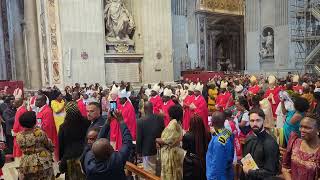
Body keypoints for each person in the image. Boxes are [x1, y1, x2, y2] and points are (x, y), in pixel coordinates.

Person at [83, 110, 133, 180]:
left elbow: (97, 144)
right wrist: (121, 121)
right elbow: (127, 141)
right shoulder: (117, 160)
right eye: (110, 147)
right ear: (110, 152)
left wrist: (108, 122)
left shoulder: (88, 160)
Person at [241, 108, 280, 180]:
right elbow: (245, 163)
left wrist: (249, 172)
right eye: (252, 121)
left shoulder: (270, 144)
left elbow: (270, 172)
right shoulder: (249, 139)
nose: (255, 124)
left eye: (258, 120)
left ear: (263, 121)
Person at [16, 111, 54, 180]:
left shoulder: (19, 135)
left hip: (26, 163)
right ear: (34, 122)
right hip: (42, 161)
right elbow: (49, 144)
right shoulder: (39, 133)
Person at [282, 113, 320, 180]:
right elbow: (285, 167)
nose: (302, 130)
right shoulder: (294, 142)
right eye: (301, 126)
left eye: (307, 128)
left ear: (318, 130)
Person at [58, 102, 90, 180]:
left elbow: (61, 145)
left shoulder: (63, 127)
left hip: (69, 156)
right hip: (85, 153)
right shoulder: (87, 122)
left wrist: (61, 158)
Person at [156, 105, 185, 180]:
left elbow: (167, 140)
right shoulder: (178, 122)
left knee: (170, 175)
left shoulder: (173, 124)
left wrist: (156, 140)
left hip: (170, 153)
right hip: (176, 151)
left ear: (171, 115)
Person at [136, 102, 165, 174]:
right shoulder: (160, 118)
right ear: (152, 109)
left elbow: (139, 138)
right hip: (160, 147)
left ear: (144, 109)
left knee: (149, 172)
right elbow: (163, 132)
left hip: (147, 150)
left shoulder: (140, 121)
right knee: (159, 171)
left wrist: (138, 151)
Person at [206, 112, 234, 180]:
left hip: (218, 176)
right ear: (224, 121)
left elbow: (217, 165)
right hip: (227, 172)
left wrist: (212, 178)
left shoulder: (218, 142)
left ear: (212, 123)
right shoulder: (227, 132)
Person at [183, 115, 210, 180]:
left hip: (190, 164)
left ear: (191, 124)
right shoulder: (208, 134)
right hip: (204, 162)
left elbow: (184, 147)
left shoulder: (187, 136)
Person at [35, 94, 59, 161]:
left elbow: (47, 128)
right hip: (41, 140)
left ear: (43, 101)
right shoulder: (40, 110)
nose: (35, 101)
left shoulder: (47, 111)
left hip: (46, 142)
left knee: (47, 161)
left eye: (37, 100)